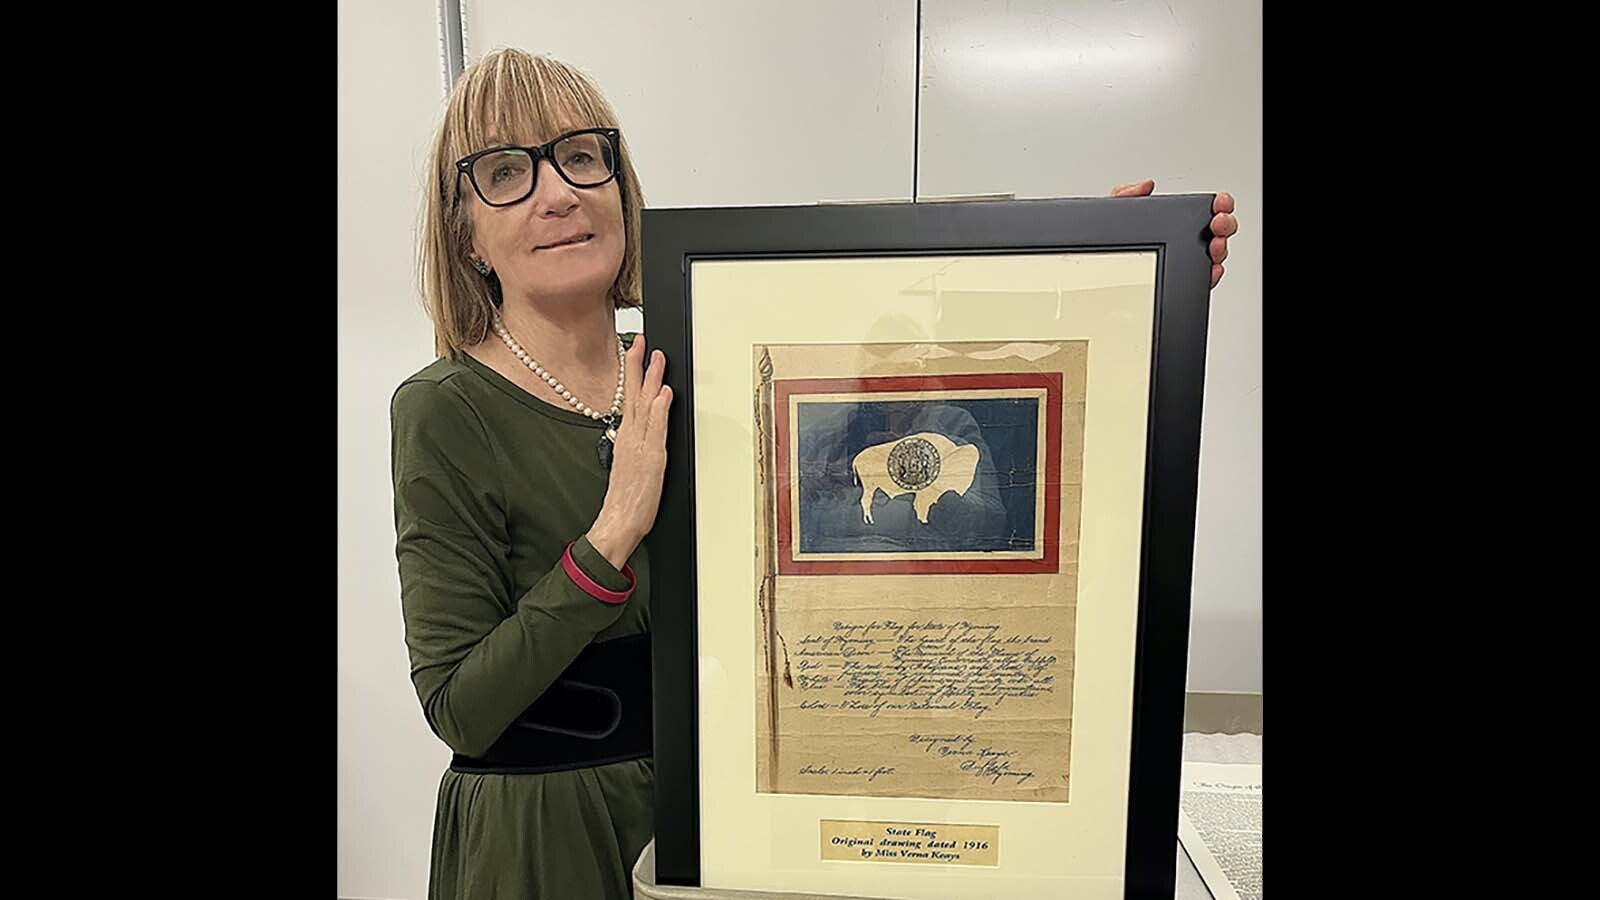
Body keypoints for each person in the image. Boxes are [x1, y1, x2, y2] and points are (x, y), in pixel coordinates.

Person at [391, 47, 1239, 900]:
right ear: (466, 232)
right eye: (506, 172)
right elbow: (460, 705)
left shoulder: (702, 362)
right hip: (547, 844)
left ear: (620, 185)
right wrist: (613, 532)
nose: (558, 192)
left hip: (733, 818)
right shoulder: (446, 410)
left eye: (580, 156)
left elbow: (906, 403)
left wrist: (1107, 278)